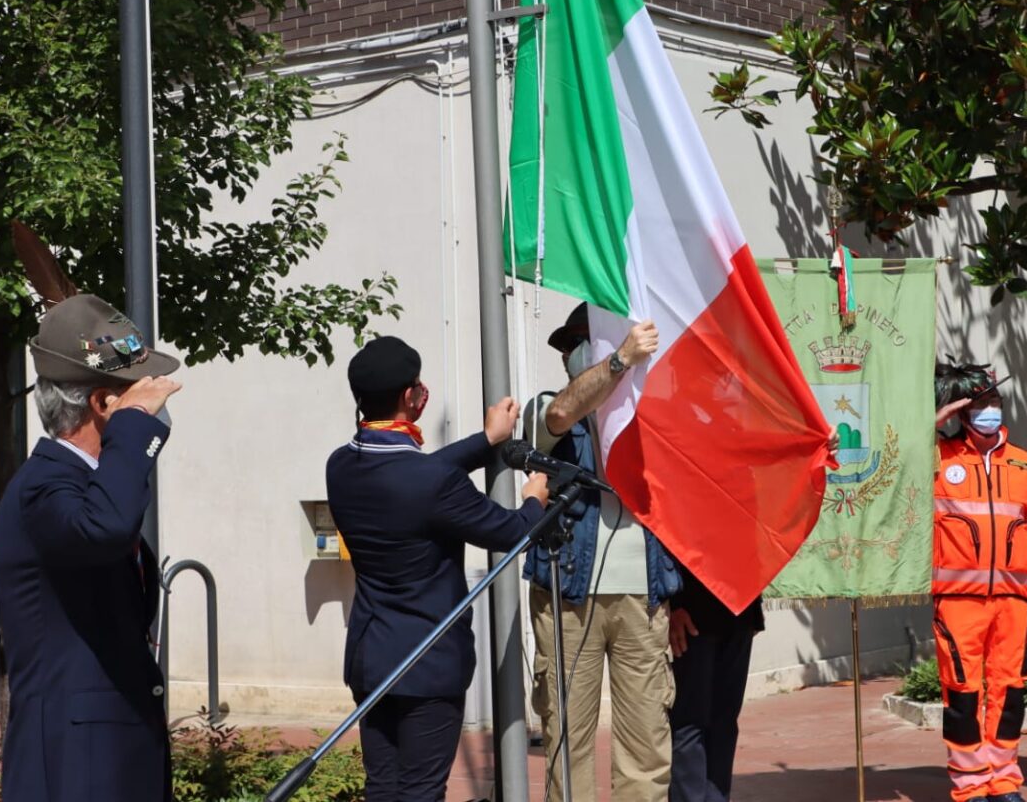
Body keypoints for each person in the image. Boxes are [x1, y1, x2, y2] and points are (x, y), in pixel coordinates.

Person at [327, 335, 549, 802]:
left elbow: (421, 475)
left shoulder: (341, 464)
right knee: (421, 791)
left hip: (372, 657)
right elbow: (508, 532)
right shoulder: (430, 481)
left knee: (383, 788)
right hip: (428, 661)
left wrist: (485, 441)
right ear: (411, 396)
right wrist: (533, 502)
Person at [0, 293, 183, 802]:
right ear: (103, 404)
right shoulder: (44, 487)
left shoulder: (81, 484)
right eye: (143, 395)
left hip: (108, 757)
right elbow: (104, 529)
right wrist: (134, 428)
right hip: (75, 766)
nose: (159, 403)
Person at [523, 304, 681, 802]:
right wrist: (617, 365)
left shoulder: (655, 410)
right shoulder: (549, 408)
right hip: (570, 595)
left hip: (645, 595)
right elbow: (558, 415)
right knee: (568, 745)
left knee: (647, 749)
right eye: (572, 349)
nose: (570, 355)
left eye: (576, 344)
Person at [931, 362, 1027, 802]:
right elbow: (899, 458)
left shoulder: (1025, 466)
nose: (990, 411)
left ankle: (1003, 783)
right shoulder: (937, 459)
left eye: (995, 402)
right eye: (980, 403)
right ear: (962, 411)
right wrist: (935, 422)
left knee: (1009, 694)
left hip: (1013, 604)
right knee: (963, 696)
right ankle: (970, 786)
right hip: (957, 603)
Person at [667, 561, 763, 802]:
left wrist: (754, 610)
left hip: (739, 609)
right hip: (691, 611)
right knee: (688, 725)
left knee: (724, 725)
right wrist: (673, 604)